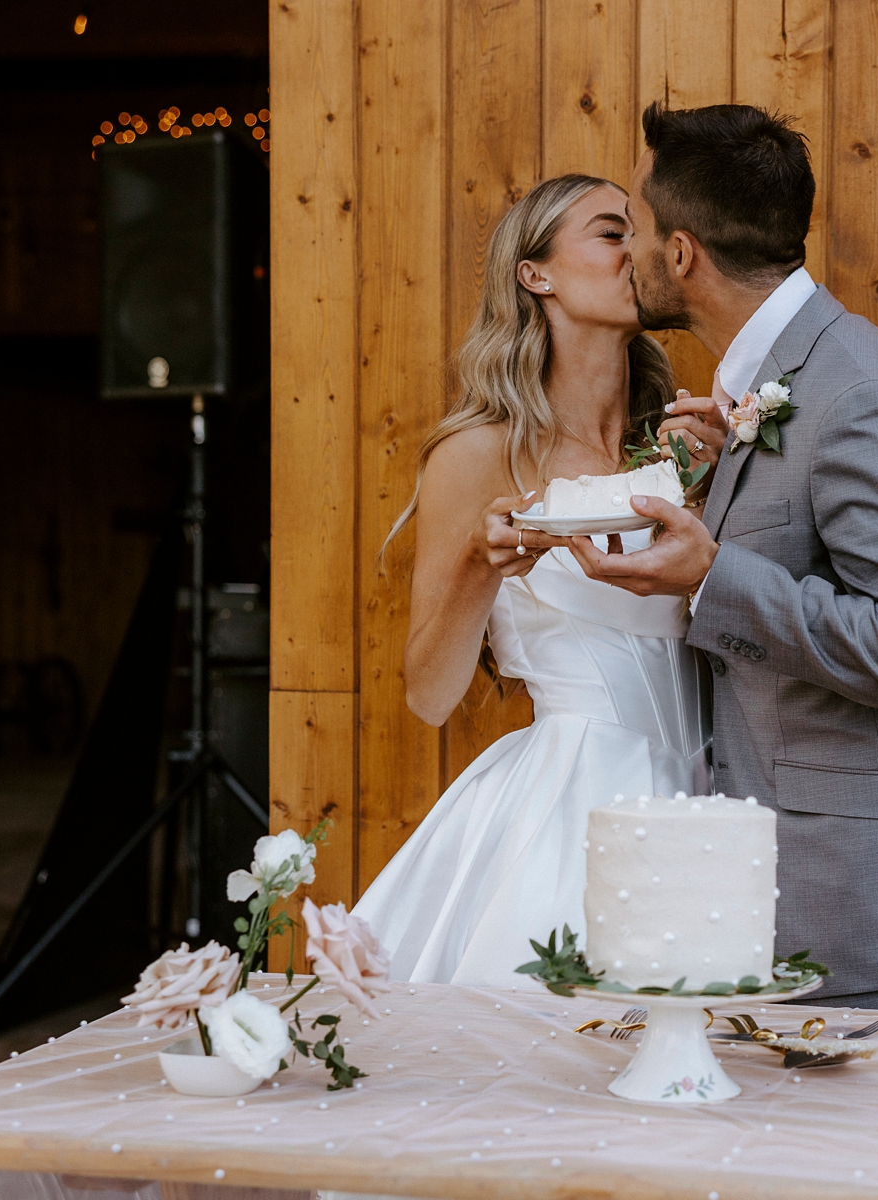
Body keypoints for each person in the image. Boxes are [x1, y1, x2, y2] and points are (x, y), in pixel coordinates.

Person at [566, 103, 878, 1015]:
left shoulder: (859, 395)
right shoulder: (780, 385)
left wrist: (713, 576)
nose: (628, 255)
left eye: (641, 232)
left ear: (683, 254)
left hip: (867, 909)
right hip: (781, 893)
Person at [352, 175, 710, 986]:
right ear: (535, 274)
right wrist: (481, 568)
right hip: (575, 801)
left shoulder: (683, 442)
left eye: (643, 233)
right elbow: (429, 696)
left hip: (717, 790)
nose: (637, 251)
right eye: (612, 232)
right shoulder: (478, 455)